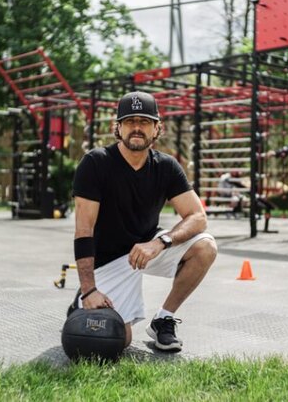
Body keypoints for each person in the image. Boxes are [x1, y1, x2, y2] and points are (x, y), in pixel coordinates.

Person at [70, 91, 217, 353]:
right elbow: (84, 231)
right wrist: (89, 289)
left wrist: (162, 242)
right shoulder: (96, 163)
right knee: (116, 341)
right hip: (108, 259)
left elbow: (198, 216)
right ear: (118, 127)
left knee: (205, 246)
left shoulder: (166, 167)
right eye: (130, 121)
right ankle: (80, 301)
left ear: (157, 128)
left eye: (145, 121)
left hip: (146, 249)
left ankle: (164, 319)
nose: (137, 128)